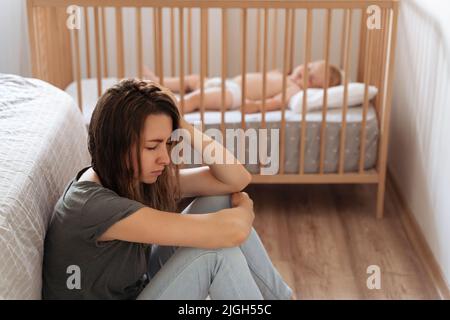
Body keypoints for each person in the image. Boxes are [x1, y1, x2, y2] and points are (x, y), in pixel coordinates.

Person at [42, 79, 295, 300]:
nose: (165, 157)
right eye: (153, 147)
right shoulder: (94, 207)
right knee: (215, 252)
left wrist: (182, 124)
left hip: (138, 288)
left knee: (220, 200)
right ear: (117, 147)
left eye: (168, 143)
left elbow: (235, 180)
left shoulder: (126, 177)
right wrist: (245, 210)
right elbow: (232, 231)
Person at [143, 60, 342, 114]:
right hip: (226, 82)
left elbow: (276, 101)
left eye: (312, 79)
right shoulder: (283, 75)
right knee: (193, 80)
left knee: (198, 98)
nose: (304, 74)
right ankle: (159, 80)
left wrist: (256, 107)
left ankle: (169, 107)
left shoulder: (294, 89)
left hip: (234, 95)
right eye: (307, 68)